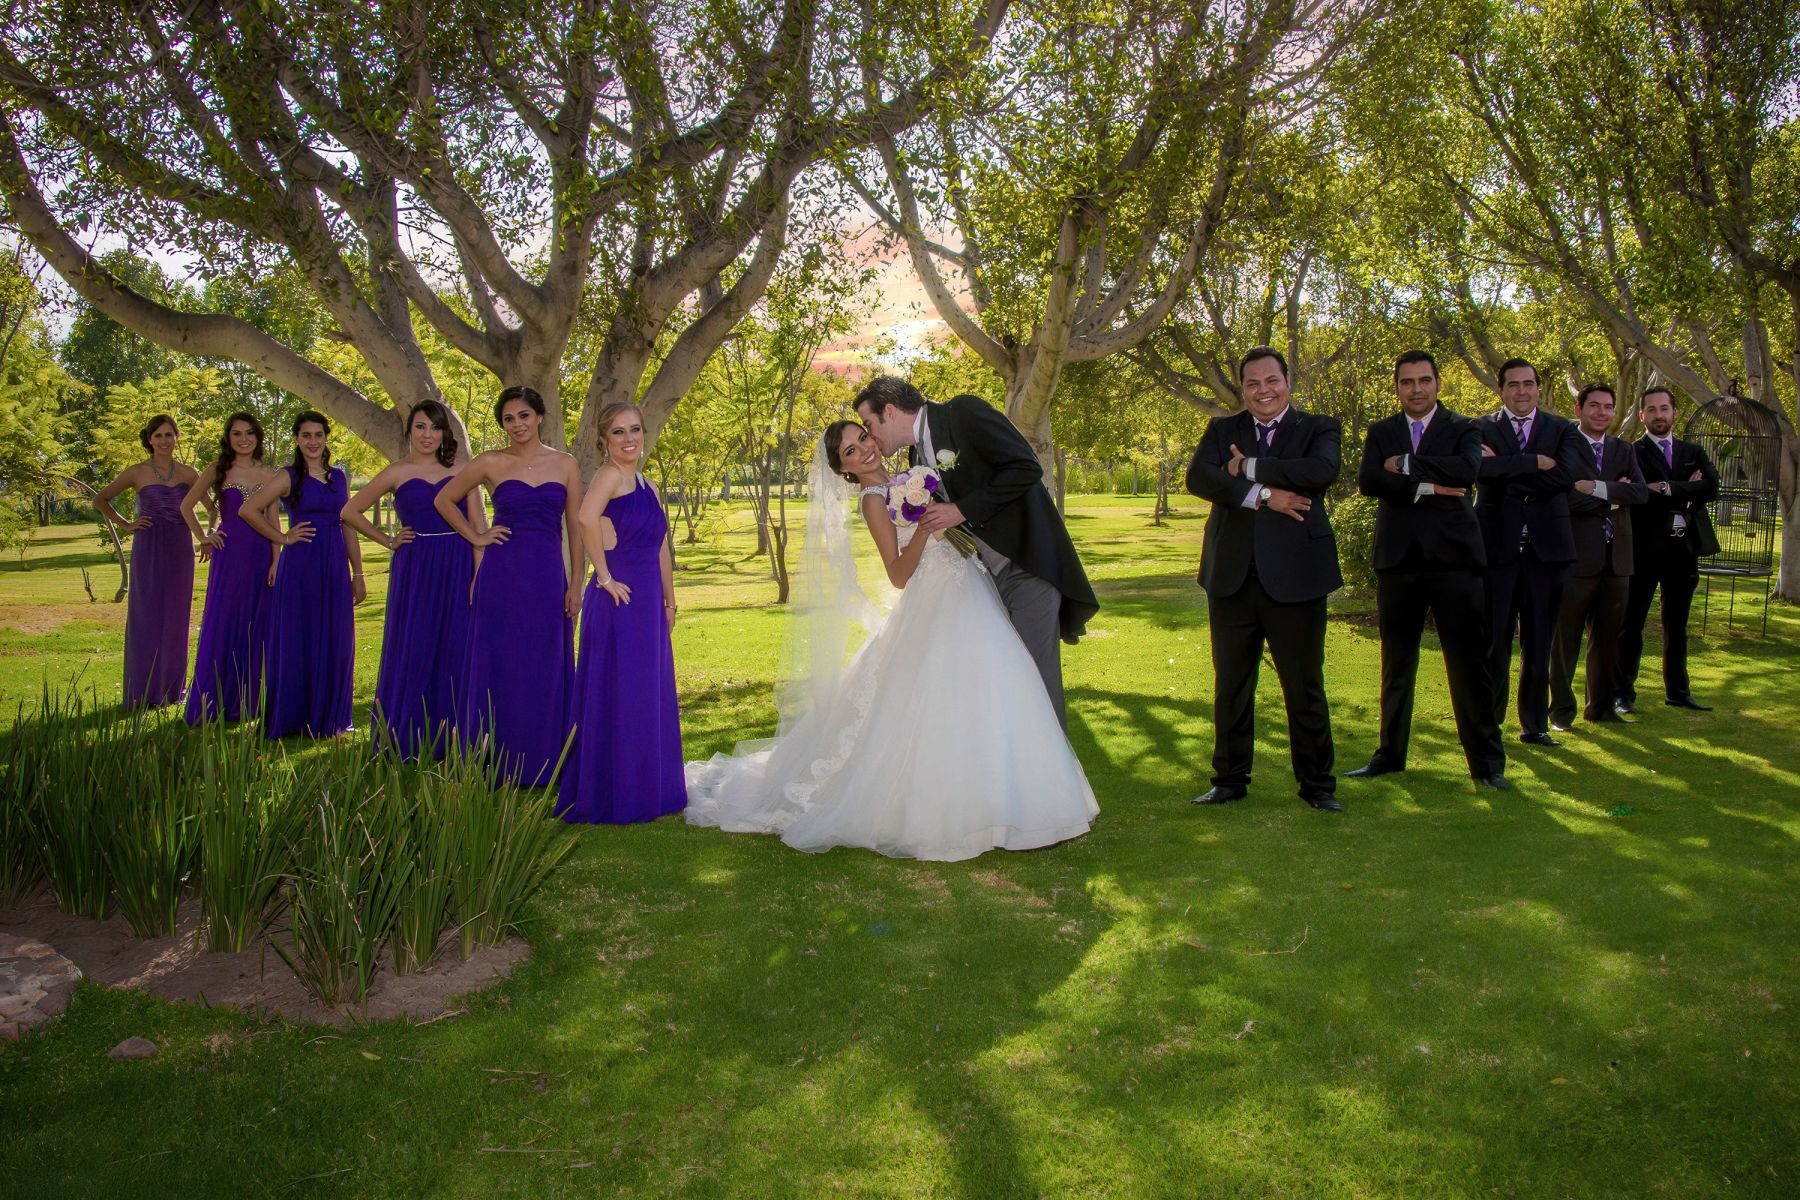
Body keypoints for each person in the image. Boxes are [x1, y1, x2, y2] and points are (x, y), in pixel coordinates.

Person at [685, 421, 1097, 861]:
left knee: (997, 686)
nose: (863, 449)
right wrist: (921, 527)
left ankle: (1012, 798)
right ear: (843, 469)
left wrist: (935, 510)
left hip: (970, 588)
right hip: (935, 599)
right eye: (849, 451)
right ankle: (953, 808)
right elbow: (897, 574)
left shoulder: (913, 474)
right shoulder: (873, 501)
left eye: (862, 437)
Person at [852, 376, 1096, 726]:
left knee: (1036, 686)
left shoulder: (962, 412)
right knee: (1003, 687)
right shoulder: (915, 456)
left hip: (1026, 566)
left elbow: (1025, 466)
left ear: (889, 411)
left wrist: (962, 510)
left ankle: (1053, 763)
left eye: (869, 425)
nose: (870, 435)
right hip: (982, 584)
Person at [1183, 346, 1342, 812]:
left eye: (1271, 380)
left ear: (1287, 381)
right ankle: (1229, 780)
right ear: (1243, 388)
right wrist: (1265, 495)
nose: (1263, 391)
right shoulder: (1222, 430)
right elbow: (1199, 478)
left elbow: (1319, 472)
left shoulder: (1318, 428)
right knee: (1231, 685)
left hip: (1297, 578)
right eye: (1252, 383)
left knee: (1304, 685)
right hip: (1231, 578)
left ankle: (1317, 785)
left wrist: (1246, 467)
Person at [1347, 351, 1508, 790]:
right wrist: (1431, 486)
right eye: (1407, 382)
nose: (1416, 389)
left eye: (1423, 380)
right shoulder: (1381, 432)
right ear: (1397, 387)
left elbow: (1467, 470)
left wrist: (1405, 465)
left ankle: (1486, 765)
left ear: (1438, 383)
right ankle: (1389, 756)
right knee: (1396, 663)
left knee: (1468, 664)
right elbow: (1369, 481)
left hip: (1455, 561)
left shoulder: (1464, 427)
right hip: (1398, 561)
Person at [435, 385, 582, 786]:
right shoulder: (490, 462)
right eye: (508, 418)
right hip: (502, 577)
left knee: (543, 663)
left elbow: (575, 527)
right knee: (499, 664)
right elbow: (444, 500)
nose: (517, 424)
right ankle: (493, 760)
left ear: (539, 416)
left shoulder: (565, 464)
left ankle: (545, 760)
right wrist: (476, 536)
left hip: (547, 577)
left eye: (524, 416)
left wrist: (576, 583)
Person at [558, 403, 687, 823]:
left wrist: (669, 601)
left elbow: (660, 547)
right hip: (619, 600)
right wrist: (604, 576)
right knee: (622, 692)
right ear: (604, 440)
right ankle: (617, 791)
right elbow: (584, 518)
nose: (629, 438)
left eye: (634, 429)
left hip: (648, 603)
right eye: (618, 432)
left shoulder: (648, 485)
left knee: (645, 692)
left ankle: (648, 784)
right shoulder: (609, 476)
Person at [341, 400, 482, 759]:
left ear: (444, 433)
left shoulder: (463, 470)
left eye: (435, 427)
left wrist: (478, 576)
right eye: (420, 426)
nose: (427, 435)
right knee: (414, 643)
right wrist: (388, 540)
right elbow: (350, 511)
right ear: (409, 431)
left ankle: (455, 738)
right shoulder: (397, 471)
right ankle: (407, 735)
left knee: (457, 643)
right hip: (416, 565)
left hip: (458, 562)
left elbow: (478, 527)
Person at [1476, 358, 1582, 746]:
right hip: (1496, 551)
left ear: (1538, 388)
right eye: (1513, 384)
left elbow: (1566, 477)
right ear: (1501, 390)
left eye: (1528, 384)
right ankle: (1487, 726)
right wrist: (1533, 463)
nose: (1522, 391)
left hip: (1546, 552)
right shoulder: (1479, 428)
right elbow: (1476, 472)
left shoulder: (1562, 429)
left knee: (1539, 644)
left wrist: (1504, 471)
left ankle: (1534, 726)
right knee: (1494, 643)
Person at [240, 411, 361, 739]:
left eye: (318, 435)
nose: (312, 441)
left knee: (336, 637)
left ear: (326, 438)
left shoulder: (339, 478)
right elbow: (248, 510)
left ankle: (330, 716)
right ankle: (295, 715)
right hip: (301, 565)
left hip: (334, 564)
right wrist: (282, 538)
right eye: (306, 435)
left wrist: (359, 572)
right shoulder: (288, 476)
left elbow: (348, 524)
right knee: (299, 636)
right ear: (296, 439)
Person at [1549, 384, 1647, 730]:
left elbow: (1640, 493)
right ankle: (1561, 712)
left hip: (1617, 559)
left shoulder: (1623, 449)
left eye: (1608, 406)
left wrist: (1597, 488)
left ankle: (1601, 709)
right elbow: (1563, 498)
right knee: (1565, 639)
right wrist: (1616, 495)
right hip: (1576, 558)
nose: (1602, 412)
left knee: (1608, 639)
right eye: (1594, 406)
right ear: (1579, 408)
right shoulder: (1562, 447)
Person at [1619, 385, 1719, 713]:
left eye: (1664, 408)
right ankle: (1623, 694)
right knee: (1631, 624)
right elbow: (1637, 494)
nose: (1659, 415)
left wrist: (1665, 487)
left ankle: (1678, 692)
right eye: (1652, 409)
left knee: (1677, 626)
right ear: (1642, 415)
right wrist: (1688, 489)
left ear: (1674, 413)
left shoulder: (1693, 451)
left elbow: (1711, 487)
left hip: (1683, 551)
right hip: (1644, 551)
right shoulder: (1631, 452)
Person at [180, 413, 279, 724]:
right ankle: (212, 701)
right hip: (230, 553)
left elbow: (274, 522)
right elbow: (186, 505)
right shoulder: (217, 469)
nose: (243, 439)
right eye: (237, 433)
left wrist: (277, 560)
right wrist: (204, 537)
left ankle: (248, 703)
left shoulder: (270, 474)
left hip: (261, 553)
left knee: (257, 625)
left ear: (258, 437)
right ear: (228, 438)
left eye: (249, 433)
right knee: (224, 621)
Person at [94, 414, 198, 708]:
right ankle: (142, 690)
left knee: (176, 617)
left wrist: (207, 534)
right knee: (146, 616)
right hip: (149, 546)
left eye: (169, 434)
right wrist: (127, 524)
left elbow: (212, 507)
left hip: (180, 547)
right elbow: (100, 499)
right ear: (150, 439)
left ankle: (172, 691)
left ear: (177, 437)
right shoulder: (136, 472)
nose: (164, 440)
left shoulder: (190, 474)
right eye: (158, 435)